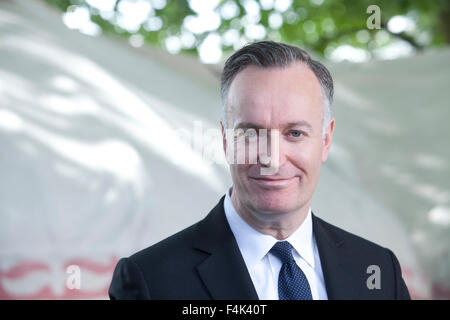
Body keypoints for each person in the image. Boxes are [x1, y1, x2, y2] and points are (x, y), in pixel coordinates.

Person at [108, 41, 411, 300]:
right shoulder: (150, 280)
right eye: (251, 133)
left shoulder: (378, 270)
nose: (272, 159)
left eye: (294, 133)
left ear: (326, 140)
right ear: (226, 141)